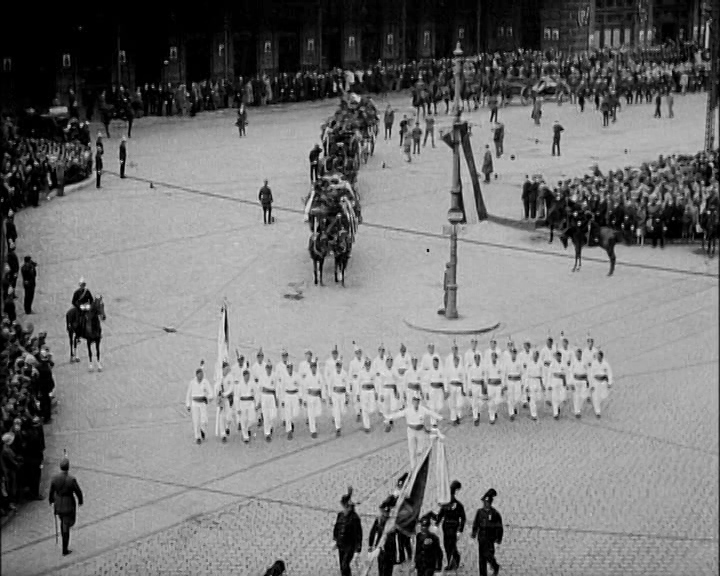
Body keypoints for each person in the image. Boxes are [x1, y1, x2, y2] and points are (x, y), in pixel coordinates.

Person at [384, 394, 442, 468]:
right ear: (412, 401)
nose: (416, 402)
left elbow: (431, 413)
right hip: (411, 431)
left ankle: (419, 466)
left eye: (417, 400)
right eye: (414, 400)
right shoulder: (408, 410)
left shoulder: (422, 409)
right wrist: (388, 418)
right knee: (412, 450)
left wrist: (440, 417)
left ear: (419, 401)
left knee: (420, 449)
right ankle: (413, 467)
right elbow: (398, 415)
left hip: (420, 431)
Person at [49, 457, 84, 556]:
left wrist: (51, 500)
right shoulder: (71, 479)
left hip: (58, 503)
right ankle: (65, 548)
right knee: (66, 524)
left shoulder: (55, 478)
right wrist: (80, 500)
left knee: (63, 521)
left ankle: (64, 539)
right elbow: (78, 491)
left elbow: (51, 491)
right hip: (68, 503)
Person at [471, 489, 503, 576]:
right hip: (481, 537)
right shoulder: (480, 512)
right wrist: (474, 532)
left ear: (490, 503)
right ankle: (482, 574)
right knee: (481, 558)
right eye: (484, 502)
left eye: (487, 503)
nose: (485, 504)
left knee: (489, 555)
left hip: (490, 538)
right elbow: (476, 523)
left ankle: (495, 565)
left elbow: (499, 527)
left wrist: (498, 538)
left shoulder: (495, 513)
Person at [333, 487, 363, 576]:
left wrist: (358, 549)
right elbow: (337, 527)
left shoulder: (355, 518)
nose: (345, 509)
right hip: (341, 544)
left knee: (345, 565)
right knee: (342, 566)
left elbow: (359, 534)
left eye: (347, 507)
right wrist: (335, 539)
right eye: (344, 506)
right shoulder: (340, 515)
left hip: (350, 545)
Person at [437, 480, 466, 570]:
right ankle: (450, 560)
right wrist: (436, 523)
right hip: (446, 526)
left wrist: (460, 530)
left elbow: (463, 518)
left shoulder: (459, 505)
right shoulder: (445, 505)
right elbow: (440, 514)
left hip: (454, 527)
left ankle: (454, 561)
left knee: (452, 545)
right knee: (446, 545)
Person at [185, 364, 213, 444]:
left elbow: (211, 392)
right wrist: (188, 405)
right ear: (196, 375)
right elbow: (188, 394)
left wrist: (209, 397)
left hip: (202, 403)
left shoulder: (205, 382)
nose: (201, 376)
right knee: (196, 420)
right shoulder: (192, 383)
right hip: (195, 403)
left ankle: (202, 429)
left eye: (202, 374)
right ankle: (197, 437)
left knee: (204, 420)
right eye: (200, 374)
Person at [589, 350, 613, 418]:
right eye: (597, 356)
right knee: (595, 397)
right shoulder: (594, 363)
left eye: (599, 356)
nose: (598, 358)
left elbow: (609, 373)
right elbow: (591, 374)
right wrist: (591, 384)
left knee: (603, 396)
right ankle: (598, 412)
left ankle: (598, 405)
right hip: (596, 381)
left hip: (603, 382)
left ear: (602, 357)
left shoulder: (606, 364)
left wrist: (609, 382)